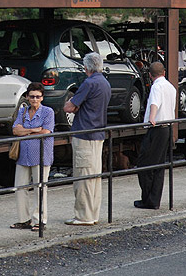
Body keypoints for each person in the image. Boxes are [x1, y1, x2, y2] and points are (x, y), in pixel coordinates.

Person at [63, 52, 111, 226]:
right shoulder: (105, 83)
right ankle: (93, 213)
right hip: (98, 133)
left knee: (83, 177)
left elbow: (69, 107)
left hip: (84, 133)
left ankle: (84, 216)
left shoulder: (88, 83)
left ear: (86, 67)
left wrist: (71, 102)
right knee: (94, 177)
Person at [10, 82, 54, 231]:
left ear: (42, 97)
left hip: (41, 155)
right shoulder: (22, 112)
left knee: (40, 188)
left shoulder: (48, 112)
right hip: (23, 155)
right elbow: (15, 131)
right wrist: (34, 130)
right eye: (32, 96)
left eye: (38, 96)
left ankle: (40, 220)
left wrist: (26, 130)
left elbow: (46, 132)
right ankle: (24, 219)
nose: (34, 99)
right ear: (27, 97)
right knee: (20, 187)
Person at [135, 61, 177, 210]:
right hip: (167, 128)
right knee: (159, 166)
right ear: (164, 72)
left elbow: (155, 103)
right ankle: (154, 200)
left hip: (157, 128)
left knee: (144, 165)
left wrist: (152, 117)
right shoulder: (171, 87)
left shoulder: (156, 86)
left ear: (150, 75)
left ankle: (147, 199)